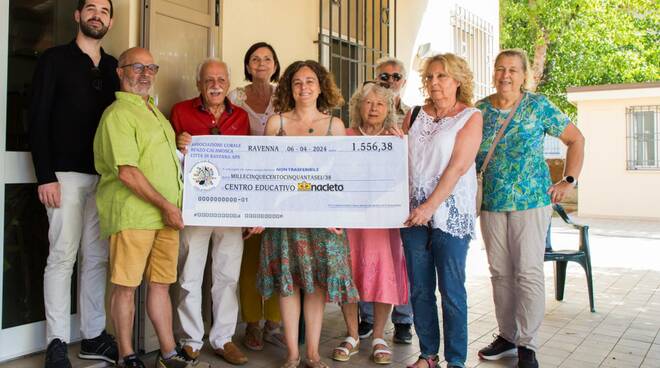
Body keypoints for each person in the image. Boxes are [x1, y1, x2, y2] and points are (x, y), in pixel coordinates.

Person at [93, 47, 207, 368]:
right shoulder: (118, 114)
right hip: (134, 215)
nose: (145, 74)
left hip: (165, 217)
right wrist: (167, 206)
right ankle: (127, 355)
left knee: (160, 285)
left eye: (150, 68)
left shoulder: (155, 113)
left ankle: (168, 353)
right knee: (125, 288)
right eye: (137, 67)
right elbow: (127, 171)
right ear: (120, 72)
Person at [476, 48, 584, 368]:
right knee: (500, 273)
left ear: (524, 76)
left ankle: (527, 344)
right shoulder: (479, 110)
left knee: (528, 272)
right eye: (500, 69)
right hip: (492, 203)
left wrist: (568, 180)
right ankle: (507, 336)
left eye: (512, 70)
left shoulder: (537, 106)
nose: (505, 75)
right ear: (493, 72)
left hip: (531, 202)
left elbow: (576, 139)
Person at [29, 1, 119, 366]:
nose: (97, 14)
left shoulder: (114, 67)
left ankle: (93, 336)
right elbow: (37, 118)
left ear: (110, 20)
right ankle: (56, 342)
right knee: (62, 258)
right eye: (91, 8)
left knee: (96, 259)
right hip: (64, 177)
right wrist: (45, 175)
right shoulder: (53, 60)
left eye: (104, 10)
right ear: (77, 15)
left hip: (105, 179)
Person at [257, 60, 358, 368]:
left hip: (323, 219)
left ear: (320, 86)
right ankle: (292, 353)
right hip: (285, 219)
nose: (304, 87)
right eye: (297, 82)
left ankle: (312, 353)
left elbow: (342, 175)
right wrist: (260, 213)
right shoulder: (277, 124)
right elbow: (264, 173)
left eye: (310, 81)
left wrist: (338, 215)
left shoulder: (335, 126)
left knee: (315, 286)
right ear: (289, 86)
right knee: (289, 285)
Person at [400, 53, 483, 368]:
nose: (435, 82)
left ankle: (457, 360)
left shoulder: (470, 116)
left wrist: (429, 207)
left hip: (448, 213)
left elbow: (458, 166)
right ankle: (428, 355)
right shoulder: (415, 113)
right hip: (411, 215)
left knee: (451, 290)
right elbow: (402, 158)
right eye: (430, 76)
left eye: (442, 76)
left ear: (458, 80)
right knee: (420, 289)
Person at [171, 58, 250, 365]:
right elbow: (169, 158)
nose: (215, 85)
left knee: (227, 276)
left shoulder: (241, 117)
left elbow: (249, 161)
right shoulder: (181, 111)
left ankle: (222, 338)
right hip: (195, 207)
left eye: (220, 79)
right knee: (189, 275)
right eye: (208, 80)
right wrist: (179, 146)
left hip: (231, 208)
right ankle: (190, 339)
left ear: (228, 84)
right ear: (199, 85)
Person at [331, 81, 409, 365]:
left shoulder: (396, 140)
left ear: (388, 108)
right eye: (368, 102)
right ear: (358, 107)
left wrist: (401, 147)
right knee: (348, 274)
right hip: (350, 220)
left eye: (380, 103)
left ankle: (378, 336)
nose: (373, 108)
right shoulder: (345, 136)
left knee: (383, 273)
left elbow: (404, 180)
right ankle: (352, 334)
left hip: (382, 222)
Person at [227, 42, 287, 352]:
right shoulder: (235, 96)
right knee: (249, 255)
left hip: (280, 185)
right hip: (245, 184)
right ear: (247, 65)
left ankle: (275, 322)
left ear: (275, 65)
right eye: (255, 59)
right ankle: (252, 322)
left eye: (267, 59)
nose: (261, 63)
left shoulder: (286, 96)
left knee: (277, 252)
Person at [358, 57, 414, 344]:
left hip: (398, 204)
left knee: (400, 260)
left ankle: (403, 320)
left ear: (403, 80)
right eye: (384, 76)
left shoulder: (413, 116)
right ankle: (366, 318)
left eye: (395, 76)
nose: (390, 81)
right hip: (365, 205)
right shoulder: (360, 116)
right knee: (368, 258)